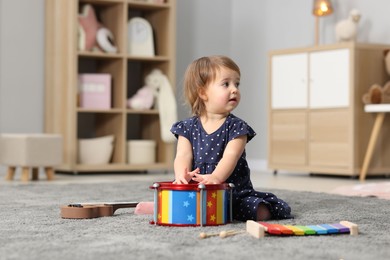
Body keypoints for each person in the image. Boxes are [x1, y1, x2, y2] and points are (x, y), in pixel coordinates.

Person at [170, 55, 292, 221]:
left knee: (267, 209)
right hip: (197, 190)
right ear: (203, 92)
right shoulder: (186, 127)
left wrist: (215, 178)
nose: (234, 89)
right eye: (226, 84)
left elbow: (231, 157)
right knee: (178, 195)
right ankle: (164, 206)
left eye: (237, 84)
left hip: (233, 193)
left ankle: (215, 210)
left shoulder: (237, 128)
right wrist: (181, 176)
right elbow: (183, 156)